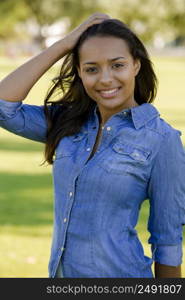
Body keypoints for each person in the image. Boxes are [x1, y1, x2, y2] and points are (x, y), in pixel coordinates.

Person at [0, 13, 184, 278]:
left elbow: (168, 241)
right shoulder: (67, 122)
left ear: (136, 65)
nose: (105, 79)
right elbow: (5, 107)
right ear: (80, 73)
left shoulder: (162, 140)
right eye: (91, 69)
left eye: (117, 65)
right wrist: (64, 44)